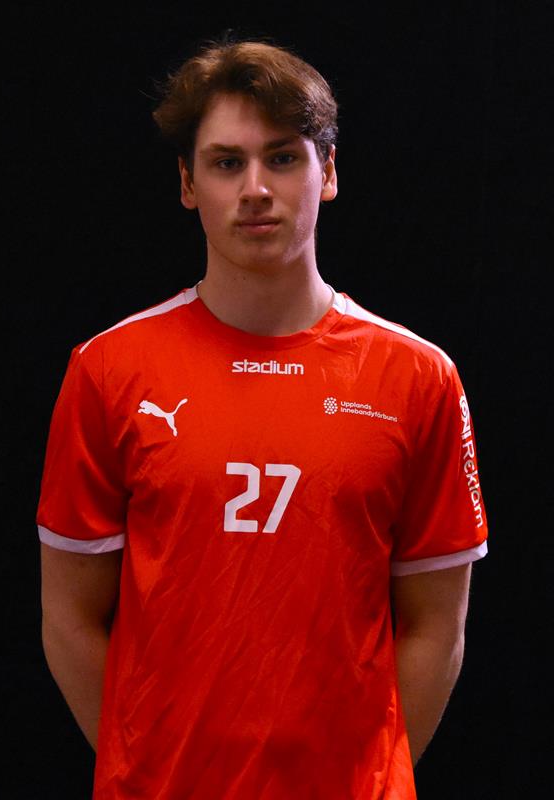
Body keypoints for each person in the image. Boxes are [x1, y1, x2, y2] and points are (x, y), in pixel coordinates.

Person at [37, 37, 488, 800]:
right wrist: (147, 771)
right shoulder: (108, 368)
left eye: (282, 158)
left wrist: (362, 782)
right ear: (188, 184)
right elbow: (70, 620)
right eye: (226, 162)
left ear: (328, 172)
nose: (255, 188)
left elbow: (435, 628)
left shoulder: (419, 376)